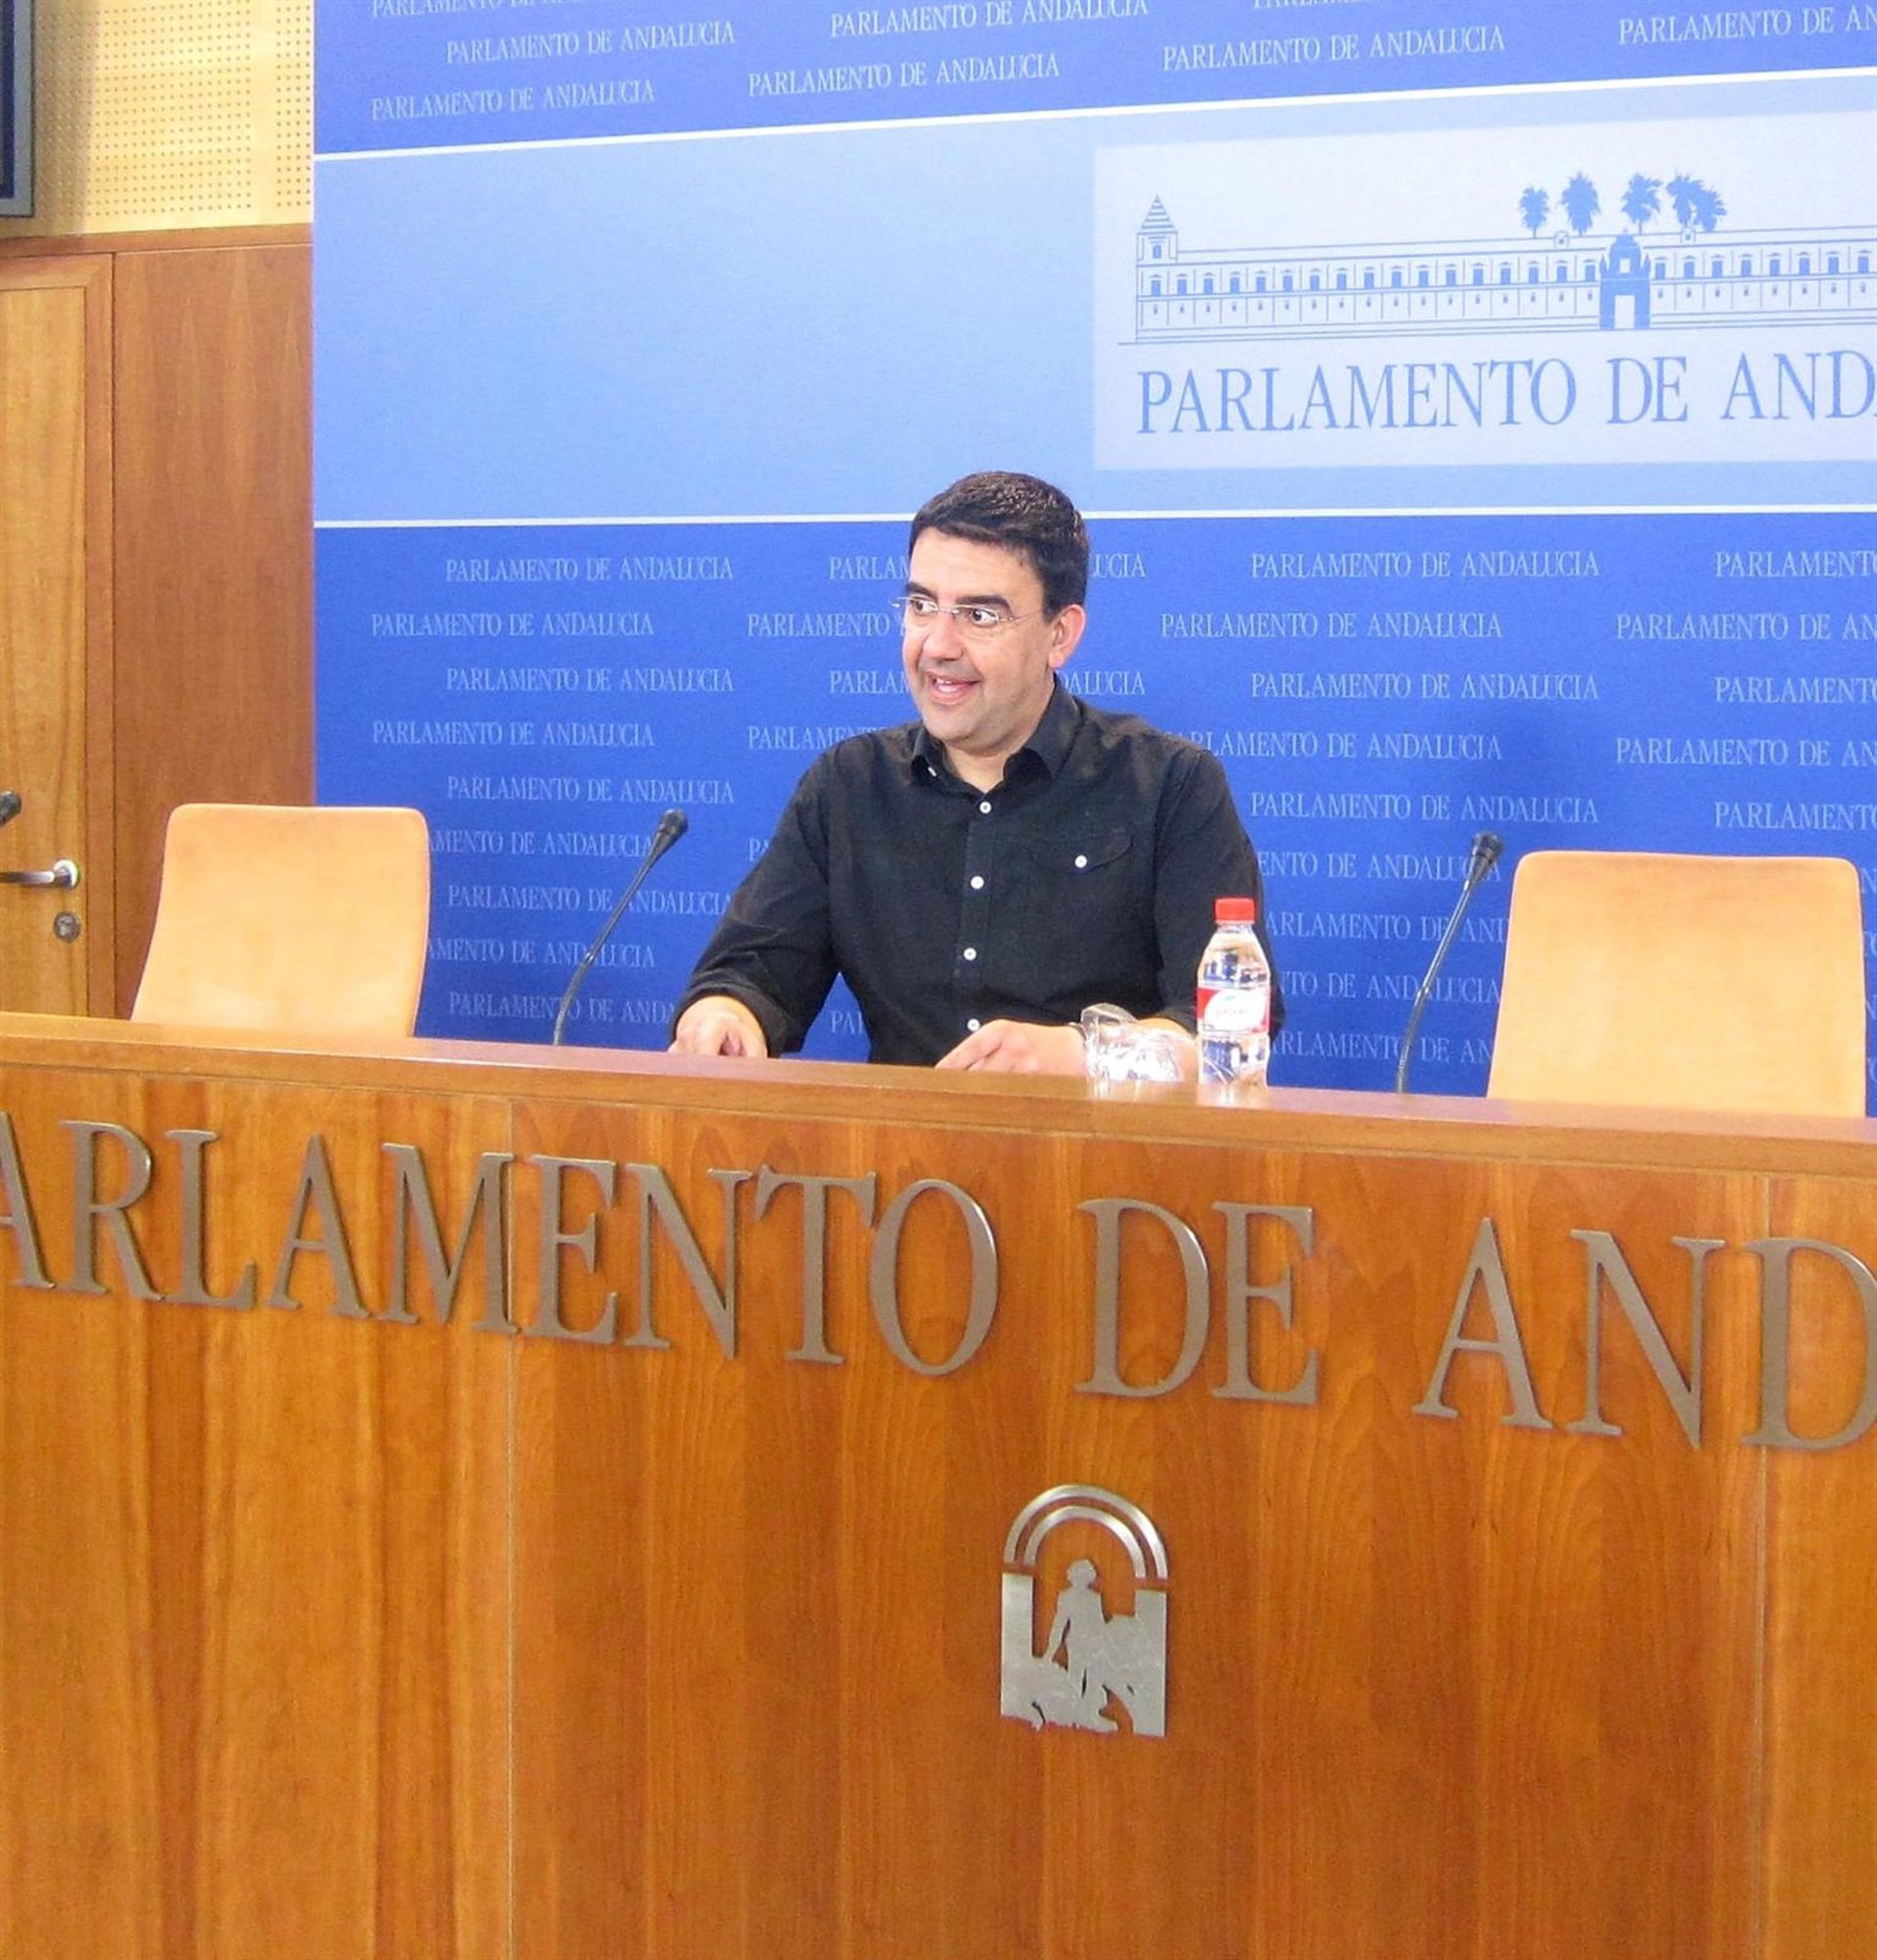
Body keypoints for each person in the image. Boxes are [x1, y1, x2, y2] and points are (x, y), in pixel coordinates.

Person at [671, 470, 1281, 1074]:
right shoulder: (849, 784)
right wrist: (726, 1014)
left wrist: (1081, 1053)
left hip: (1096, 1135)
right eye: (921, 606)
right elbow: (752, 973)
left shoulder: (1170, 785)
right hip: (902, 1139)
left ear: (1060, 634)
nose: (938, 645)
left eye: (979, 616)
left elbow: (1228, 1026)